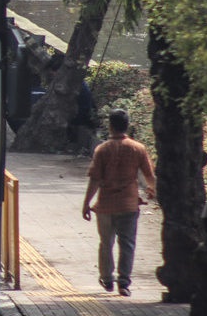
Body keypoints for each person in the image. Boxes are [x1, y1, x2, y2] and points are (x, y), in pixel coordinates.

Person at [81, 109, 156, 298]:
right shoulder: (138, 148)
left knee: (106, 243)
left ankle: (107, 279)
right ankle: (124, 283)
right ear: (127, 125)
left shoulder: (102, 149)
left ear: (110, 126)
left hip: (105, 206)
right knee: (127, 244)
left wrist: (86, 203)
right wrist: (151, 189)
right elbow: (149, 175)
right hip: (129, 204)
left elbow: (95, 180)